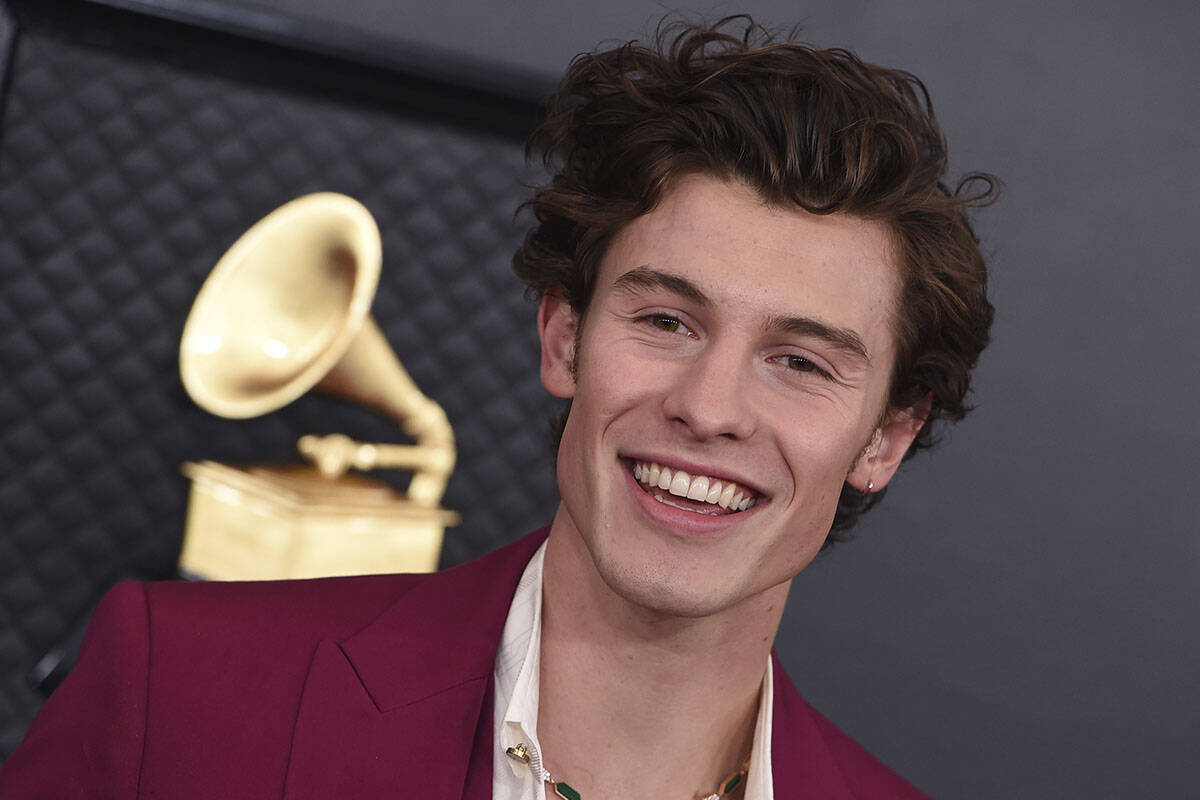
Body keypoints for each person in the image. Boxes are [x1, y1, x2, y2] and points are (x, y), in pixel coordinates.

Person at [0, 17, 994, 799]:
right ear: (562, 336)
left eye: (802, 362)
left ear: (886, 437)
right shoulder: (176, 685)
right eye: (665, 319)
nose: (708, 406)